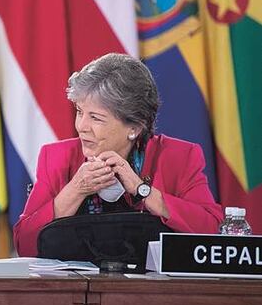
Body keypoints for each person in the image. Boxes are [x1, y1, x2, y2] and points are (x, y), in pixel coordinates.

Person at [14, 53, 222, 257]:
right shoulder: (56, 158)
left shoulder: (178, 157)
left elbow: (213, 232)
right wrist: (76, 189)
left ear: (134, 127)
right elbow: (26, 244)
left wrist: (143, 190)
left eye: (95, 118)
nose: (82, 126)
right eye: (79, 111)